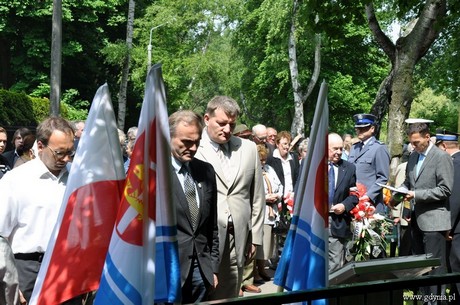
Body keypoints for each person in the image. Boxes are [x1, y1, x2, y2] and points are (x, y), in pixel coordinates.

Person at [0, 117, 78, 304]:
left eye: (70, 152)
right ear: (40, 146)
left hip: (68, 269)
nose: (66, 159)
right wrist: (10, 281)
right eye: (59, 153)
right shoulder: (16, 181)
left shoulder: (77, 178)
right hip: (27, 271)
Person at [195, 95, 265, 300]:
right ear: (206, 119)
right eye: (222, 123)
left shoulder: (248, 148)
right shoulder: (194, 148)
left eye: (231, 125)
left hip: (239, 238)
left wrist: (256, 236)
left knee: (231, 293)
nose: (227, 129)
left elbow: (257, 196)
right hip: (206, 239)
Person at [391, 121, 453, 301]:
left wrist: (416, 195)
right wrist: (396, 195)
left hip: (434, 222)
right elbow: (408, 184)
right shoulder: (412, 157)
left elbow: (445, 189)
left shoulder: (441, 157)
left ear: (427, 137)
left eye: (417, 142)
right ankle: (425, 299)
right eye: (411, 142)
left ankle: (437, 300)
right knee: (421, 267)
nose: (413, 146)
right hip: (416, 221)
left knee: (435, 268)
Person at [169, 110, 219, 303]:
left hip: (201, 271)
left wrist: (213, 267)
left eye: (197, 142)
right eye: (186, 142)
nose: (192, 147)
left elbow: (212, 225)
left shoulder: (205, 171)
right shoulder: (155, 174)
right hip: (168, 272)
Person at [327, 133, 359, 273]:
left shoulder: (349, 168)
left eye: (341, 149)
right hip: (314, 222)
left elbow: (354, 195)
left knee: (335, 263)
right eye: (335, 149)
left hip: (337, 221)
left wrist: (344, 205)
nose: (339, 152)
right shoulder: (312, 166)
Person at [348, 114, 390, 213]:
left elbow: (383, 177)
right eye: (357, 128)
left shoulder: (379, 148)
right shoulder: (354, 147)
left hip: (370, 204)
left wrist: (369, 195)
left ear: (372, 128)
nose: (359, 131)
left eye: (363, 128)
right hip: (353, 201)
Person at [435, 130, 460, 296]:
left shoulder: (455, 164)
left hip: (457, 228)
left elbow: (455, 199)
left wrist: (447, 227)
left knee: (456, 267)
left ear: (443, 146)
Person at [254, 144, 282, 282]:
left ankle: (262, 268)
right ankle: (255, 272)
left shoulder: (269, 169)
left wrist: (277, 195)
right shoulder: (253, 170)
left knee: (268, 243)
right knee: (259, 243)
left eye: (264, 159)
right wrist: (265, 197)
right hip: (261, 211)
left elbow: (279, 185)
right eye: (260, 159)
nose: (263, 162)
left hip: (272, 211)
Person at [266, 131, 300, 199]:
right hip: (278, 199)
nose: (287, 147)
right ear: (277, 144)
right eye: (284, 144)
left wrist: (294, 193)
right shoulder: (271, 159)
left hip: (292, 198)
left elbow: (298, 177)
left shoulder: (294, 157)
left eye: (289, 144)